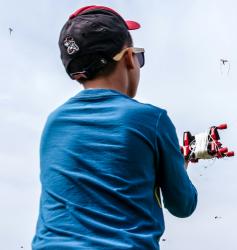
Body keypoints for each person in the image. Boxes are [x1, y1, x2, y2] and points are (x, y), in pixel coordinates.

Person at [32, 5, 198, 250]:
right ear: (130, 58)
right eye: (139, 56)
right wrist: (178, 168)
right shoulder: (152, 119)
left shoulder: (53, 122)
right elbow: (183, 205)